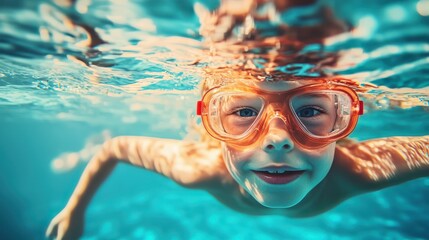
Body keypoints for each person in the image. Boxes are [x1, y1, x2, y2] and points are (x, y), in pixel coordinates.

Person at [46, 1, 429, 239]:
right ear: (212, 123)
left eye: (311, 110)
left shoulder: (359, 168)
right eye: (244, 112)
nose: (277, 139)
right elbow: (115, 147)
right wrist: (75, 210)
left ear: (345, 119)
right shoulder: (200, 167)